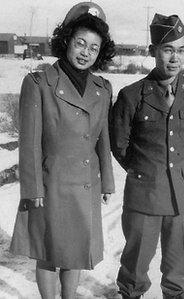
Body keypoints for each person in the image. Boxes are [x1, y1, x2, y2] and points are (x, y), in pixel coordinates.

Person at [10, 2, 115, 298]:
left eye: (93, 48)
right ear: (67, 40)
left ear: (100, 53)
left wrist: (107, 180)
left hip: (85, 185)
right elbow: (29, 142)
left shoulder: (102, 88)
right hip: (51, 184)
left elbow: (103, 138)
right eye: (80, 43)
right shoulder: (38, 83)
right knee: (48, 251)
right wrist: (33, 189)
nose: (85, 52)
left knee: (77, 250)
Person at [111, 14, 184, 299]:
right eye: (168, 49)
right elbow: (120, 144)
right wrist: (146, 170)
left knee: (179, 267)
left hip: (182, 195)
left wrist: (177, 169)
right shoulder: (132, 95)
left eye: (181, 50)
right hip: (144, 194)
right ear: (152, 51)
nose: (175, 57)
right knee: (135, 263)